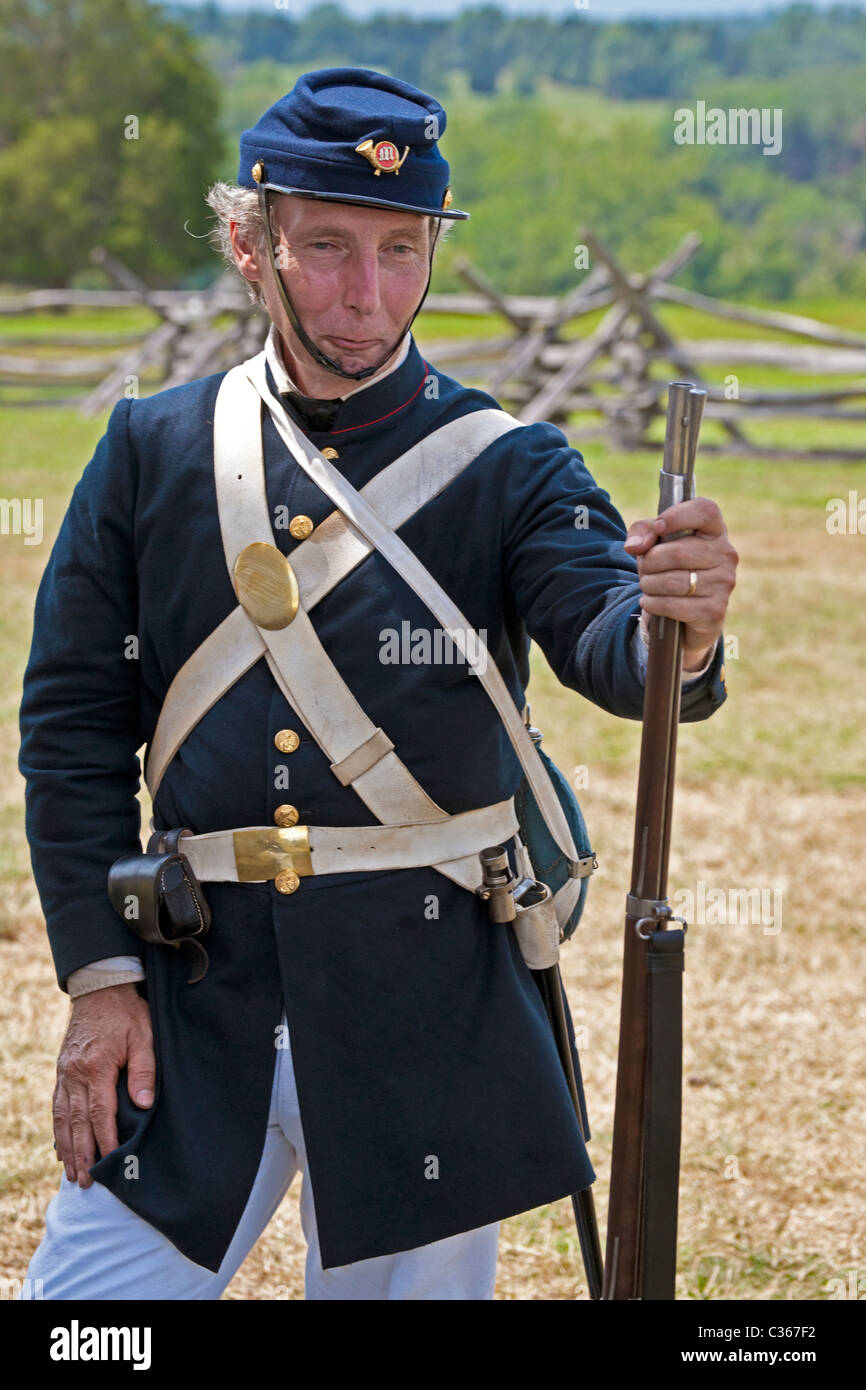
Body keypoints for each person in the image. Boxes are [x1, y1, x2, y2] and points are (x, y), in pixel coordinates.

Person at [18, 67, 737, 1301]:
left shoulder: (508, 466)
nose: (366, 293)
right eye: (329, 247)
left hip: (429, 1008)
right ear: (251, 246)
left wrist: (684, 623)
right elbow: (73, 731)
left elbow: (611, 644)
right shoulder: (149, 453)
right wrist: (101, 980)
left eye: (399, 251)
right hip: (195, 993)